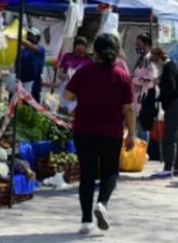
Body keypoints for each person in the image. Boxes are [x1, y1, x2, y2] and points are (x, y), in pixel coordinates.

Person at [64, 33, 136, 235]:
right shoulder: (122, 76)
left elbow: (67, 95)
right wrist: (132, 133)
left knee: (86, 175)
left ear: (94, 51)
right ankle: (102, 204)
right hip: (111, 131)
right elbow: (129, 108)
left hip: (84, 130)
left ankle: (86, 221)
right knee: (110, 172)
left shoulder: (83, 72)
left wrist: (85, 94)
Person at [150, 47, 178, 178]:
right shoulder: (174, 66)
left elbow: (170, 87)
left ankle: (168, 168)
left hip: (175, 105)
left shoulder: (168, 68)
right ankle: (176, 168)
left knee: (170, 138)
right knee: (177, 139)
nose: (154, 62)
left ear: (158, 57)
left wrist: (159, 84)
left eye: (154, 59)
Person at [132, 33, 158, 142]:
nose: (137, 47)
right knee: (139, 125)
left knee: (143, 125)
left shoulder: (150, 59)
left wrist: (135, 80)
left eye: (139, 44)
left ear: (146, 44)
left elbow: (151, 78)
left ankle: (143, 151)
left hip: (146, 95)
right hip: (139, 96)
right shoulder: (142, 59)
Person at [57, 37, 92, 112]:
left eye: (82, 46)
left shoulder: (89, 61)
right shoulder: (67, 56)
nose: (80, 48)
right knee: (58, 109)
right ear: (74, 47)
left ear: (85, 48)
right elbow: (59, 74)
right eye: (78, 45)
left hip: (79, 92)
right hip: (64, 88)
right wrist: (67, 76)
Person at [18, 27, 46, 103]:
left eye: (33, 36)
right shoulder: (23, 50)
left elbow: (30, 46)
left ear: (37, 38)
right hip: (21, 80)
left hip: (33, 82)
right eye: (29, 35)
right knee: (20, 102)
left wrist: (17, 38)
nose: (30, 37)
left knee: (31, 102)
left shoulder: (40, 49)